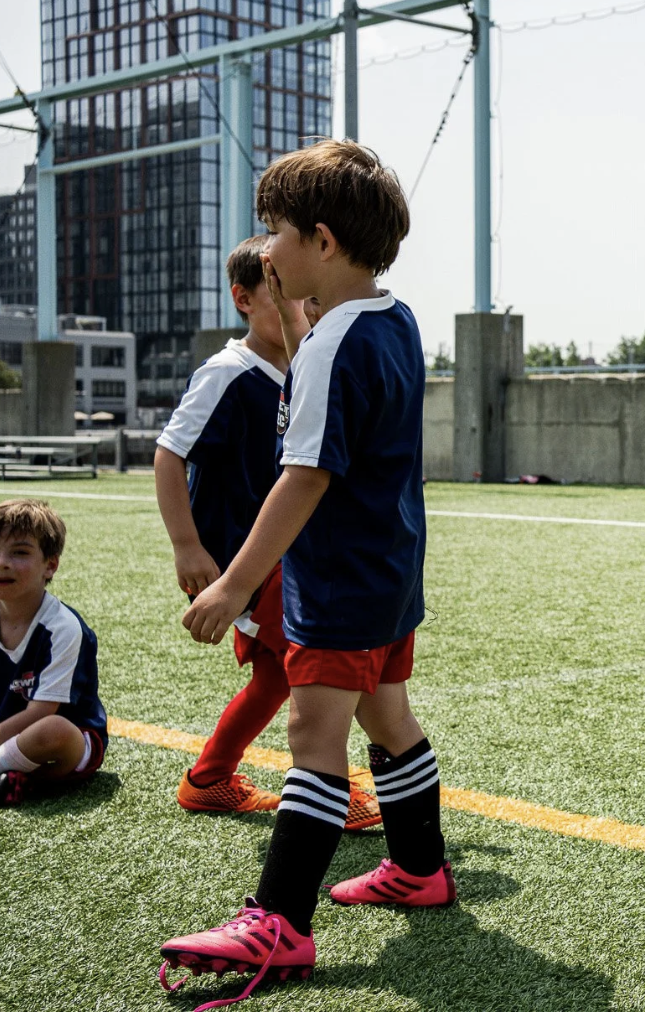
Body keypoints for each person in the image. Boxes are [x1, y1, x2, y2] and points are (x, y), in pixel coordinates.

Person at [160, 140, 449, 1008]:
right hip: (390, 572)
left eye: (276, 231)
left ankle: (278, 922)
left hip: (338, 579)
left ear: (321, 241)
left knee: (312, 738)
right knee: (389, 717)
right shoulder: (393, 319)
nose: (267, 249)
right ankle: (420, 868)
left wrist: (232, 584)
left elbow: (305, 477)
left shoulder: (327, 346)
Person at [156, 237, 378, 830]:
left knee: (280, 674)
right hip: (242, 560)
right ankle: (327, 788)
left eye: (309, 297)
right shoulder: (226, 373)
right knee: (322, 663)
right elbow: (168, 454)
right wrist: (187, 547)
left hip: (282, 553)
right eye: (285, 294)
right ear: (244, 299)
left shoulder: (302, 366)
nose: (303, 307)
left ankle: (209, 778)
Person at [0, 500, 106, 807]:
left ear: (50, 565)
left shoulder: (62, 627)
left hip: (64, 742)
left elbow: (41, 713)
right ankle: (13, 777)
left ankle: (16, 772)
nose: (3, 562)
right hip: (7, 729)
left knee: (52, 731)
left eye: (20, 552)